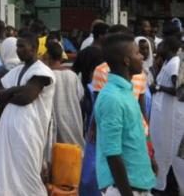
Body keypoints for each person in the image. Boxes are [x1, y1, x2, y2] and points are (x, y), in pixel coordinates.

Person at [0, 31, 55, 196]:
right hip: (10, 131)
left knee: (27, 176)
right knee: (7, 176)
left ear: (34, 48)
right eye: (17, 46)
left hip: (29, 132)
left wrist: (9, 92)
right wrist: (13, 92)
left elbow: (26, 98)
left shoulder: (41, 71)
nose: (18, 50)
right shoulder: (17, 71)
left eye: (22, 46)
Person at [93, 34, 157, 196]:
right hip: (122, 188)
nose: (142, 56)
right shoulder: (112, 98)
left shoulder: (125, 91)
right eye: (137, 53)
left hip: (137, 183)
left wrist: (148, 160)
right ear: (126, 61)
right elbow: (112, 153)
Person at [149, 36, 184, 193]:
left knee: (169, 150)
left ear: (168, 46)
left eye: (161, 44)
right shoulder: (166, 63)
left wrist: (158, 88)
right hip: (163, 114)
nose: (158, 47)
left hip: (171, 116)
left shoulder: (175, 63)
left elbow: (179, 90)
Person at [45, 41, 85, 148]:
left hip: (54, 125)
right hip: (73, 121)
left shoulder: (46, 76)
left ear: (47, 56)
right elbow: (80, 95)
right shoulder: (72, 75)